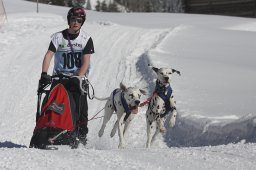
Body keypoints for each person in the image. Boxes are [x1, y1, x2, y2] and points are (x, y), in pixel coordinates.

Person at [39, 7, 94, 146]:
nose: (76, 22)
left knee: (81, 110)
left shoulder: (86, 39)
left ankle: (81, 136)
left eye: (79, 20)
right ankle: (50, 132)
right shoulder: (57, 37)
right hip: (59, 78)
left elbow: (86, 61)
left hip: (78, 79)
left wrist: (78, 76)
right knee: (53, 105)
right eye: (73, 19)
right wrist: (44, 74)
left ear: (82, 22)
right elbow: (49, 55)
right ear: (69, 20)